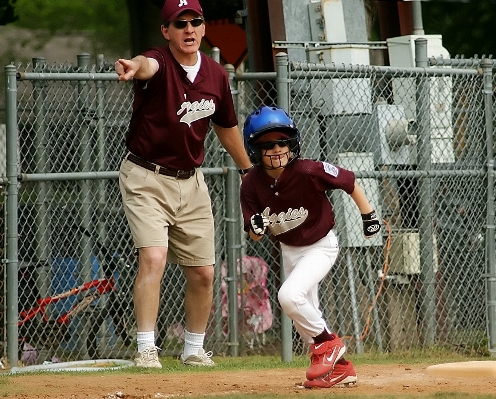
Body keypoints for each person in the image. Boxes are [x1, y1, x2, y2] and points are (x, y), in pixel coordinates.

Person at [114, 0, 254, 368]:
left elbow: (226, 128)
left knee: (204, 273)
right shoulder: (158, 62)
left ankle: (193, 349)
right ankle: (146, 348)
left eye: (195, 22)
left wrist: (247, 171)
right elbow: (147, 65)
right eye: (179, 24)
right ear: (166, 31)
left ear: (204, 28)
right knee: (154, 257)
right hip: (146, 176)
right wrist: (133, 66)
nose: (189, 30)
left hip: (191, 182)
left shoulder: (215, 75)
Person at [239, 105, 381, 388]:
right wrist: (256, 228)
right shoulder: (251, 184)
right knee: (306, 319)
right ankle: (342, 370)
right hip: (290, 250)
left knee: (289, 297)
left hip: (321, 245)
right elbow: (255, 235)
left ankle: (330, 344)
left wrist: (369, 216)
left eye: (282, 142)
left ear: (292, 144)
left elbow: (349, 181)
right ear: (255, 151)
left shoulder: (307, 169)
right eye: (267, 145)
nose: (277, 149)